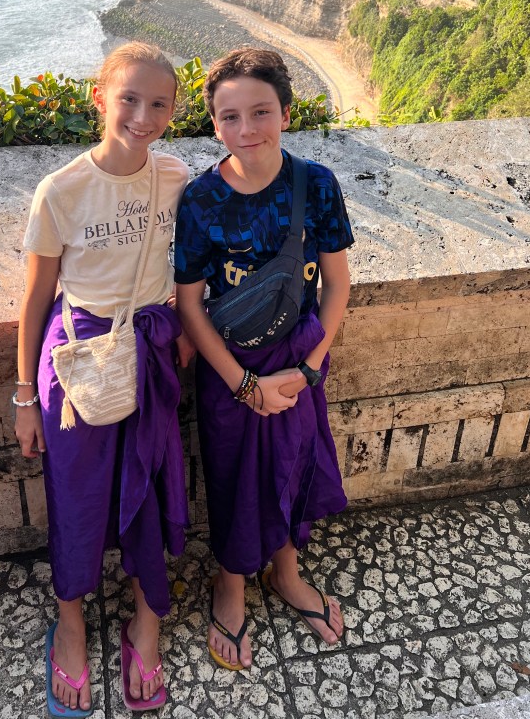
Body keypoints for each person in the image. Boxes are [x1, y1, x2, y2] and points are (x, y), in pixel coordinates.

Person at [15, 42, 192, 715]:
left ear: (173, 112)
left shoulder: (175, 176)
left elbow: (191, 263)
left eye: (159, 105)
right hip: (78, 361)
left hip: (151, 353)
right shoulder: (61, 191)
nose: (143, 117)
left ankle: (146, 620)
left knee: (151, 486)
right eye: (129, 99)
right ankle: (70, 624)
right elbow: (36, 300)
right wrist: (24, 396)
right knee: (76, 494)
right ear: (101, 98)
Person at [174, 47, 354, 670]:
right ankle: (230, 583)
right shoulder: (200, 199)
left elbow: (337, 284)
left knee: (293, 465)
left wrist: (307, 370)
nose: (246, 128)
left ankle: (286, 572)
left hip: (299, 358)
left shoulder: (316, 184)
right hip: (229, 367)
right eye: (230, 116)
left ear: (285, 113)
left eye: (261, 112)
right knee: (230, 475)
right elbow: (189, 304)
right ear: (214, 123)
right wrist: (245, 384)